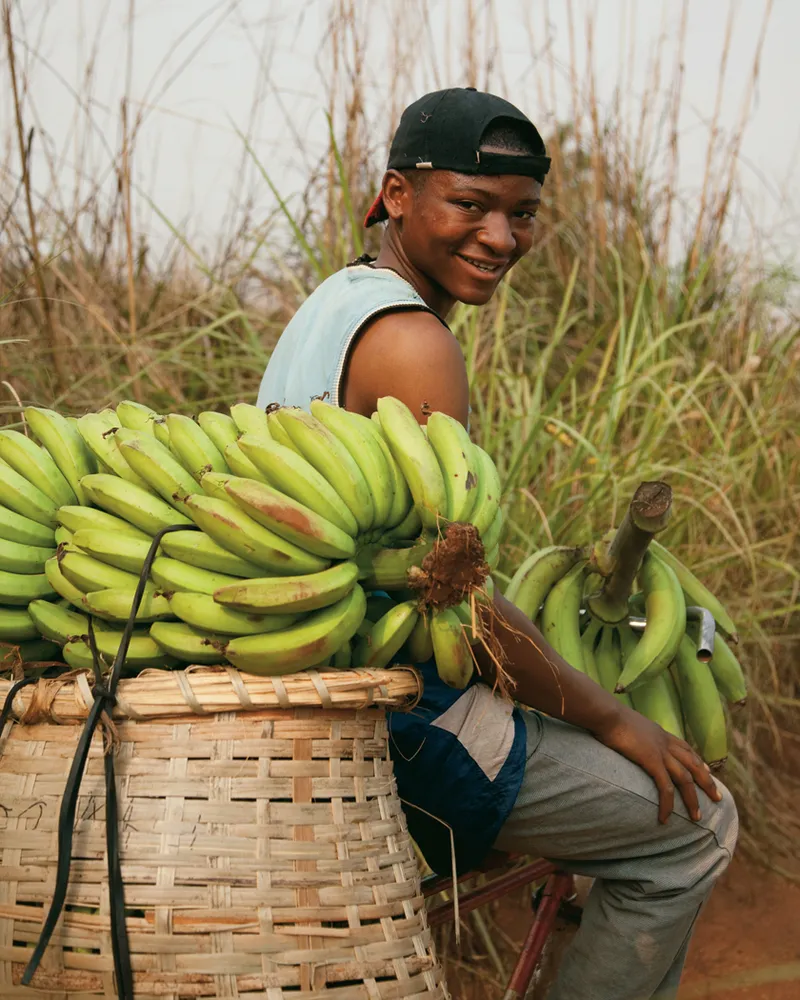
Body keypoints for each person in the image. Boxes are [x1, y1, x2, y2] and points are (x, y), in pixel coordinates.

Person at [256, 87, 738, 1000]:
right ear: (396, 195)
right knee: (697, 827)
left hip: (323, 697)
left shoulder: (332, 307)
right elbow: (455, 598)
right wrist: (610, 716)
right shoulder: (414, 341)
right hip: (401, 725)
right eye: (469, 205)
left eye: (521, 215)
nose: (501, 238)